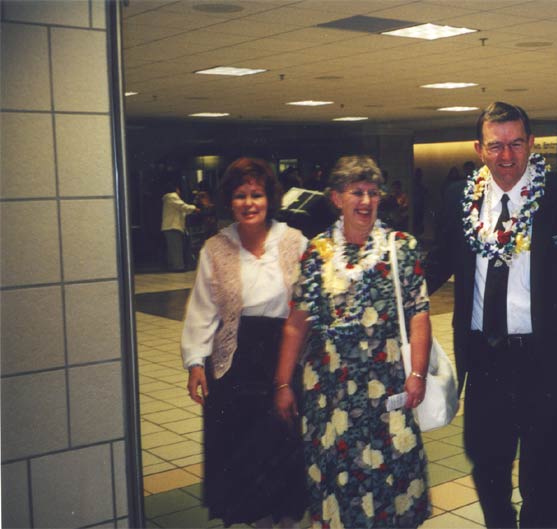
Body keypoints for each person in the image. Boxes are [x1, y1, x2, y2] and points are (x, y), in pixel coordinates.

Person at [425, 101, 557, 528]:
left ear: (532, 143)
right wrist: (393, 298)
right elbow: (438, 262)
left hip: (546, 359)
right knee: (487, 465)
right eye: (495, 146)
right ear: (478, 148)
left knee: (544, 474)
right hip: (485, 358)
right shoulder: (459, 197)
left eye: (516, 144)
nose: (507, 156)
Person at [274, 155, 432, 528]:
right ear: (336, 198)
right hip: (330, 395)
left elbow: (419, 314)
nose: (366, 201)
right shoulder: (317, 253)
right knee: (337, 482)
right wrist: (282, 383)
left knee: (389, 479)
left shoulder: (400, 247)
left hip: (386, 388)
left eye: (373, 192)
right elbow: (296, 324)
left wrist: (418, 374)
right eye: (356, 192)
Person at [182, 157, 308, 528]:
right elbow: (202, 310)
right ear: (230, 201)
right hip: (235, 365)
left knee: (283, 450)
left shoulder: (294, 241)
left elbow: (310, 306)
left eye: (256, 194)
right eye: (240, 195)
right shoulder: (215, 248)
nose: (249, 203)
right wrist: (195, 362)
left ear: (270, 198)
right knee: (244, 456)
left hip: (284, 360)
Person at [161, 172, 198, 271]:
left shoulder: (168, 198)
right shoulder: (172, 196)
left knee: (172, 248)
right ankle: (178, 266)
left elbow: (181, 210)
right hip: (172, 226)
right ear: (176, 189)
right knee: (176, 247)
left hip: (170, 226)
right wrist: (194, 208)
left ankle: (173, 265)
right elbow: (182, 206)